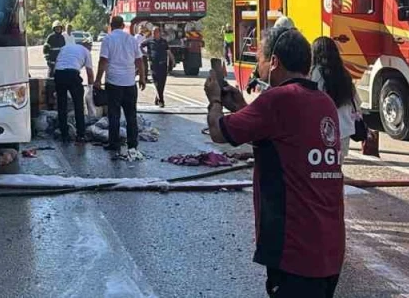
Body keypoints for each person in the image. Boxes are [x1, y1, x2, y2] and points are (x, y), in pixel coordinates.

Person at [204, 20, 345, 297]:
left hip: (294, 250)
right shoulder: (322, 101)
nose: (259, 69)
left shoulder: (278, 100)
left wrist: (215, 100)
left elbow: (218, 131)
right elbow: (281, 140)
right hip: (329, 249)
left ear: (275, 61)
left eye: (261, 61)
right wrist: (244, 108)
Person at [94, 15, 147, 159]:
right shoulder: (131, 39)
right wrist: (142, 78)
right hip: (130, 83)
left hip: (114, 83)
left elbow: (103, 60)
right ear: (123, 26)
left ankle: (114, 143)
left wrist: (98, 80)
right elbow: (139, 60)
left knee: (114, 115)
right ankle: (132, 145)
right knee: (131, 116)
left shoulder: (108, 39)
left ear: (111, 26)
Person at [311, 37, 361, 161]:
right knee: (337, 167)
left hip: (322, 130)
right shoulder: (344, 73)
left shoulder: (317, 73)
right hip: (344, 130)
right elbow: (357, 102)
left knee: (321, 170)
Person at [52, 38, 95, 142]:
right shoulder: (86, 51)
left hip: (59, 74)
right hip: (72, 75)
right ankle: (80, 134)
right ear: (87, 46)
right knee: (78, 105)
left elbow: (56, 64)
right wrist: (91, 87)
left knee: (62, 106)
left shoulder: (65, 47)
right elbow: (90, 73)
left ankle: (64, 134)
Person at [142, 27, 172, 107]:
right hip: (154, 64)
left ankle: (157, 98)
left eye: (155, 32)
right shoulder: (149, 41)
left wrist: (173, 60)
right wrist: (144, 53)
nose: (153, 33)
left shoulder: (164, 41)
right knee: (156, 82)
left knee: (162, 82)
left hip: (163, 64)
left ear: (159, 33)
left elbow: (168, 51)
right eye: (152, 32)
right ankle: (161, 100)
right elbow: (139, 46)